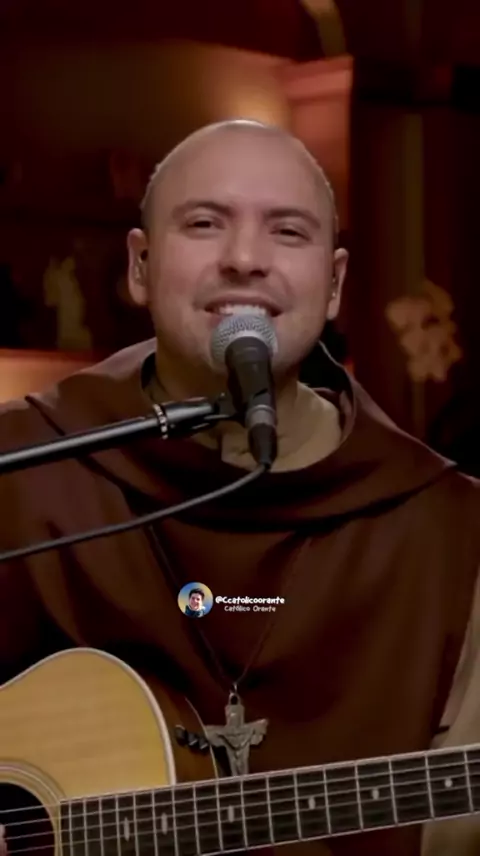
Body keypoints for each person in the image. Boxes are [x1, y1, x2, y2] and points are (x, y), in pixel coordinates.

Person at [0, 119, 479, 856]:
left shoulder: (449, 526)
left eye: (287, 232)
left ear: (335, 285)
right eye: (204, 223)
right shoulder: (24, 465)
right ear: (139, 265)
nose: (245, 259)